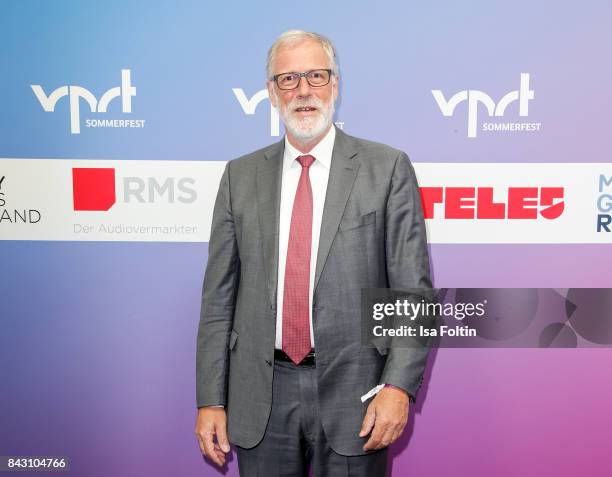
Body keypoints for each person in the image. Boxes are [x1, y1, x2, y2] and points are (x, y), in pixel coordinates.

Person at [195, 29, 432, 477]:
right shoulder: (239, 177)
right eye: (288, 79)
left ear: (335, 85)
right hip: (261, 398)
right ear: (271, 92)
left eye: (316, 76)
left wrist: (398, 386)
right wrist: (211, 398)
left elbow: (411, 294)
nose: (303, 90)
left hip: (357, 395)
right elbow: (217, 302)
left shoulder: (386, 168)